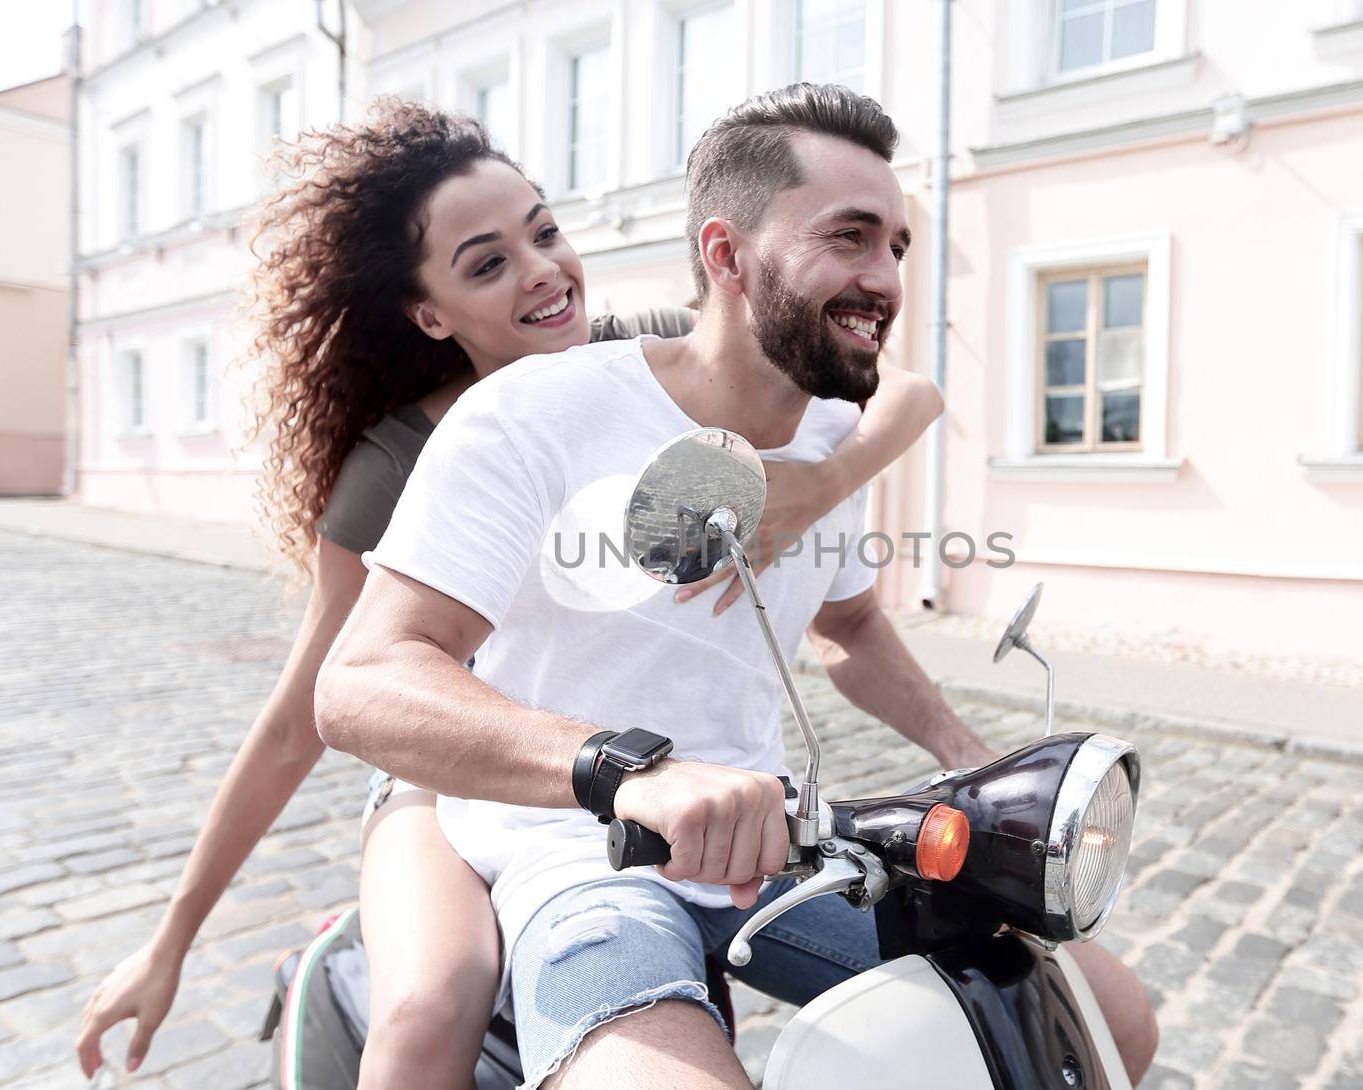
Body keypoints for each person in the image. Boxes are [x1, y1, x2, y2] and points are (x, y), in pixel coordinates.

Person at [73, 99, 945, 1085]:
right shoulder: (401, 456)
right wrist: (171, 939)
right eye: (487, 262)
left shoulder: (649, 351)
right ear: (430, 314)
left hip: (656, 778)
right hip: (451, 765)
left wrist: (817, 484)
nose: (540, 271)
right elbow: (312, 710)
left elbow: (899, 392)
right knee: (433, 994)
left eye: (545, 231)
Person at [315, 83, 1157, 1090]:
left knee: (1107, 1024)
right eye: (847, 238)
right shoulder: (533, 412)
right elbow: (360, 680)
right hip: (587, 851)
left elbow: (847, 627)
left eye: (895, 245)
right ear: (725, 255)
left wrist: (964, 752)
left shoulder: (829, 439)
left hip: (778, 845)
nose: (884, 277)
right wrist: (630, 772)